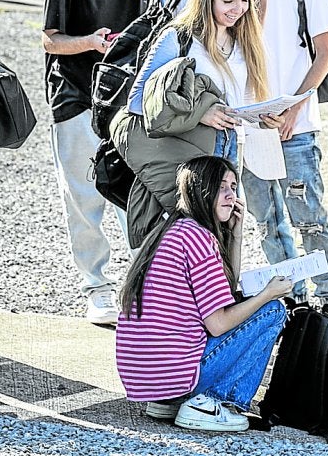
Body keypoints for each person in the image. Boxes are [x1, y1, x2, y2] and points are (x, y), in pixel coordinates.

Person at [41, 0, 156, 325]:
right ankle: (96, 286)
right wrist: (89, 41)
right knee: (83, 193)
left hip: (131, 94)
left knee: (141, 187)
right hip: (75, 91)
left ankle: (142, 283)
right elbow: (50, 40)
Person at [115, 156, 292, 431]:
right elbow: (218, 323)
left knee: (251, 306)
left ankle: (171, 402)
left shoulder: (173, 229)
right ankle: (210, 402)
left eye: (234, 187)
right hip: (176, 375)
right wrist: (267, 294)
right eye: (221, 186)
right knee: (272, 311)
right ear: (200, 189)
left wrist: (235, 234)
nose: (231, 195)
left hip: (148, 380)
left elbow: (225, 291)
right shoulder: (198, 237)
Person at [119, 0, 277, 258]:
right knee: (194, 241)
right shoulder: (178, 38)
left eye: (245, 0)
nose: (239, 9)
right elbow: (138, 101)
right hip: (191, 154)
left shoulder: (244, 38)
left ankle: (221, 301)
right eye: (228, 0)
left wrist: (263, 116)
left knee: (228, 235)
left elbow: (239, 100)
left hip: (232, 150)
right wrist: (200, 113)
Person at [241, 0, 328, 319]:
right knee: (268, 223)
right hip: (249, 127)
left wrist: (293, 109)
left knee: (311, 219)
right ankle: (293, 302)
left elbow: (325, 52)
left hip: (296, 126)